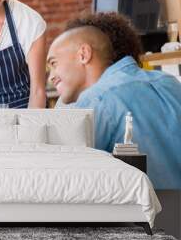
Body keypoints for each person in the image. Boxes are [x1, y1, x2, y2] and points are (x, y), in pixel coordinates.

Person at [47, 13, 181, 189]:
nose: (51, 77)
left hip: (143, 213)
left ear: (84, 54)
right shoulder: (169, 83)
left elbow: (64, 182)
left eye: (54, 63)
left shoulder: (96, 99)